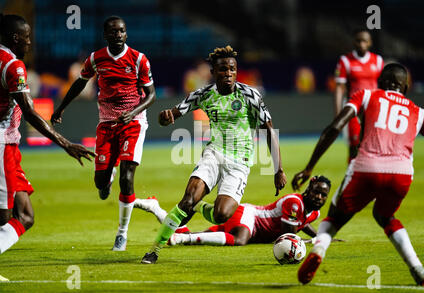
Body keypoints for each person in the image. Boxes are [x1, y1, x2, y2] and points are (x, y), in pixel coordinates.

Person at [292, 63, 424, 286]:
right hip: (401, 174)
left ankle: (319, 250)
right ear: (405, 87)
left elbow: (335, 127)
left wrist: (309, 167)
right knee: (385, 217)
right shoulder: (419, 112)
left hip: (367, 167)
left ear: (380, 82)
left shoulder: (366, 95)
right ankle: (419, 270)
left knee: (334, 219)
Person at [141, 45, 287, 264]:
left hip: (240, 162)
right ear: (213, 72)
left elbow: (269, 131)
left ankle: (198, 207)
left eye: (232, 69)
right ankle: (155, 250)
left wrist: (278, 169)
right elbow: (172, 114)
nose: (228, 74)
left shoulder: (250, 95)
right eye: (222, 69)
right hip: (214, 154)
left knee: (221, 215)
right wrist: (165, 116)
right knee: (187, 199)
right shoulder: (203, 94)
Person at [51, 16, 157, 251]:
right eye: (113, 31)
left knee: (127, 179)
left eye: (122, 31)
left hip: (134, 123)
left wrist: (133, 112)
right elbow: (80, 83)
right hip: (106, 124)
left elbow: (151, 95)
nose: (118, 35)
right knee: (100, 182)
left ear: (126, 34)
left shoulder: (139, 59)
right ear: (105, 35)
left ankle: (122, 234)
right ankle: (106, 177)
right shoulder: (96, 59)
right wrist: (61, 107)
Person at [0, 14, 95, 256]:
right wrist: (66, 143)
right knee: (5, 216)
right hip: (2, 145)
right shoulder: (12, 65)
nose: (29, 43)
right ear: (15, 39)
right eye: (26, 37)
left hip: (9, 147)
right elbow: (30, 112)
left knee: (25, 215)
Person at [135, 176, 344, 247]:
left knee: (189, 234)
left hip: (253, 229)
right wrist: (311, 242)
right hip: (249, 217)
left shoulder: (312, 212)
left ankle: (155, 207)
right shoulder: (294, 202)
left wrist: (322, 236)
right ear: (308, 190)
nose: (319, 198)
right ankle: (196, 213)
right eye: (316, 192)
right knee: (240, 240)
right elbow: (287, 234)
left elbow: (303, 224)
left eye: (323, 195)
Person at [334, 29, 383, 162]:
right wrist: (338, 113)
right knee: (355, 144)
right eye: (358, 41)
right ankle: (352, 174)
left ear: (370, 43)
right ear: (354, 42)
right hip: (355, 109)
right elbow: (339, 88)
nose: (361, 44)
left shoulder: (377, 61)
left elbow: (383, 87)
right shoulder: (346, 61)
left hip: (374, 109)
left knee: (375, 144)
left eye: (364, 41)